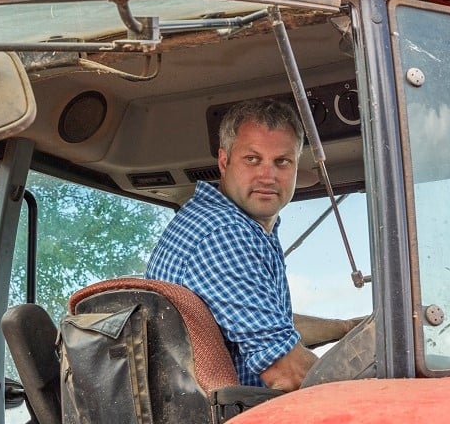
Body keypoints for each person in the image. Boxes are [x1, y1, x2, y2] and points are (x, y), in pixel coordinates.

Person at [145, 98, 354, 392]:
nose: (267, 176)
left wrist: (348, 328)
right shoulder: (223, 233)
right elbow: (287, 373)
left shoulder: (225, 223)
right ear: (224, 161)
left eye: (282, 161)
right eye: (252, 159)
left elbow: (265, 322)